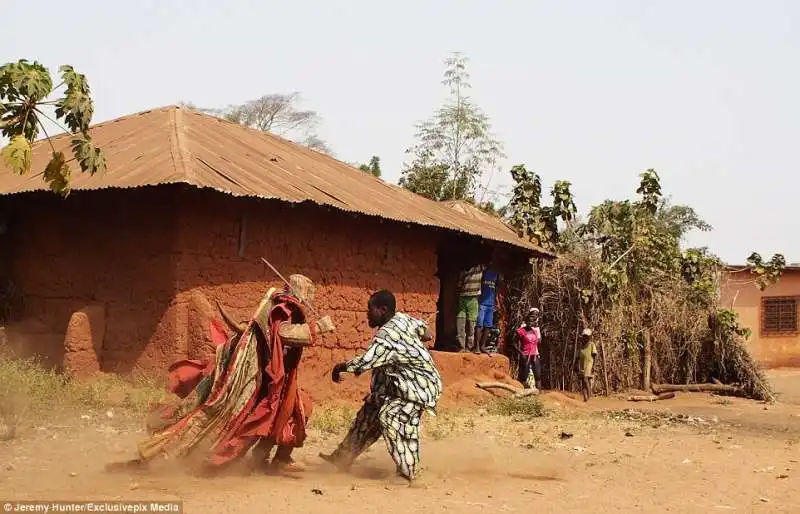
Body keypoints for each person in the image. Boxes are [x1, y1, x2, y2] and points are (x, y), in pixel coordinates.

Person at [125, 275, 335, 474]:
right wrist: (318, 327)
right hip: (259, 380)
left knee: (297, 409)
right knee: (257, 418)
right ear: (302, 292)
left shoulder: (277, 308)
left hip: (274, 380)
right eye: (309, 295)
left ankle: (275, 460)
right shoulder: (282, 309)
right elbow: (283, 333)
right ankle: (240, 460)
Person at [319, 290, 442, 485]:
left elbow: (364, 363)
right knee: (369, 413)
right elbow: (426, 331)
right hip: (399, 385)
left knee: (393, 417)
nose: (367, 314)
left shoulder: (387, 336)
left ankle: (407, 472)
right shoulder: (403, 319)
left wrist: (339, 367)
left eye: (370, 310)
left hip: (415, 388)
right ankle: (341, 459)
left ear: (383, 310)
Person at [456, 261, 485, 353]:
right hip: (462, 298)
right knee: (460, 323)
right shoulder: (463, 271)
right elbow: (459, 285)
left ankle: (469, 347)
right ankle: (461, 346)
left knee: (471, 324)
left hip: (473, 298)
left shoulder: (479, 268)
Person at [476, 264, 502, 354]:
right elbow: (478, 287)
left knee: (488, 325)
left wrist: (497, 301)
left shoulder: (496, 275)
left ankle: (483, 345)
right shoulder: (483, 273)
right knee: (479, 325)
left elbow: (497, 289)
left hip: (490, 305)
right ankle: (477, 346)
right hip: (482, 303)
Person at [515, 308, 542, 390]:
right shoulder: (521, 330)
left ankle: (539, 395)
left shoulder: (535, 330)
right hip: (526, 355)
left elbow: (539, 341)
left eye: (532, 321)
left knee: (538, 375)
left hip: (535, 355)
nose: (530, 323)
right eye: (529, 321)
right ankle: (521, 390)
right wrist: (521, 353)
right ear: (526, 322)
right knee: (524, 375)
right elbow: (513, 343)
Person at [579, 328, 598, 402]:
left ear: (589, 337)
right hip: (582, 365)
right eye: (584, 336)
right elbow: (578, 357)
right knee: (583, 382)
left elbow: (594, 356)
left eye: (587, 336)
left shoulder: (591, 345)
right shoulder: (581, 346)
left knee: (585, 379)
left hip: (589, 364)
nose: (585, 337)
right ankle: (585, 397)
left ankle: (589, 395)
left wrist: (594, 366)